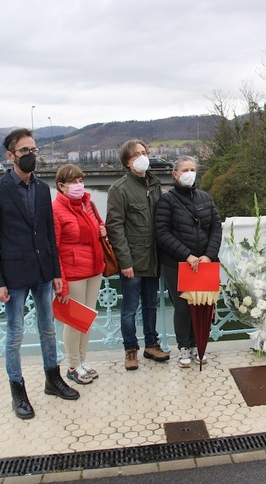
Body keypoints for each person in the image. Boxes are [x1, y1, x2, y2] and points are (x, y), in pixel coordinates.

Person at [0, 128, 79, 420]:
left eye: (34, 150)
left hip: (43, 272)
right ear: (11, 156)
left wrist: (56, 272)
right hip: (13, 275)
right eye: (25, 151)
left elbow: (49, 235)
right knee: (16, 334)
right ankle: (18, 391)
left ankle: (53, 379)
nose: (31, 156)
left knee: (48, 329)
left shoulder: (41, 188)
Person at [105, 139, 169, 370]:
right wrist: (124, 261)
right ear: (127, 162)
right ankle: (130, 350)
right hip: (132, 259)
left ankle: (152, 344)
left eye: (144, 153)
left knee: (151, 305)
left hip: (153, 257)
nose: (142, 157)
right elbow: (115, 228)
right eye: (135, 155)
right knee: (130, 309)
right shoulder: (119, 189)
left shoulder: (154, 183)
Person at [155, 156, 222, 368]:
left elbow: (216, 228)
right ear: (175, 174)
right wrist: (187, 254)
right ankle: (183, 347)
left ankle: (197, 345)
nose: (190, 173)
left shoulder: (205, 197)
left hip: (204, 262)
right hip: (177, 264)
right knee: (183, 307)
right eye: (185, 169)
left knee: (202, 305)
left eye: (193, 169)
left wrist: (209, 255)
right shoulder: (167, 200)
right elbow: (162, 232)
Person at [52, 163, 106, 385]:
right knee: (74, 322)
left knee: (87, 319)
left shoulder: (88, 204)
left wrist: (103, 229)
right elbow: (53, 249)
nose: (78, 185)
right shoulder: (56, 210)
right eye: (73, 181)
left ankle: (83, 361)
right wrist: (61, 284)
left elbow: (99, 226)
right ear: (61, 185)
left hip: (94, 270)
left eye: (80, 180)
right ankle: (73, 365)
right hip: (73, 274)